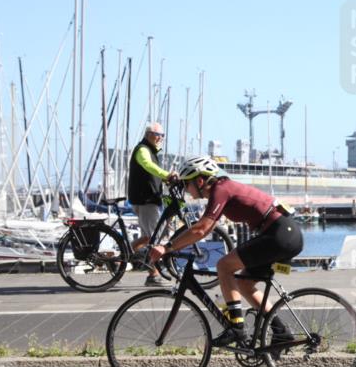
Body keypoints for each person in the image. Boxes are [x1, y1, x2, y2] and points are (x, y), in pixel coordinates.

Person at [149, 156, 303, 346]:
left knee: (224, 266)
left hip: (279, 235)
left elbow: (200, 229)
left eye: (187, 184)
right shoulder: (222, 189)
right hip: (281, 234)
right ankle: (281, 331)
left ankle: (237, 328)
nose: (186, 190)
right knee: (244, 284)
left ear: (199, 181)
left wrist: (167, 247)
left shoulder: (221, 190)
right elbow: (205, 228)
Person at [127, 122, 178, 286]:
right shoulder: (143, 150)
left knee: (150, 235)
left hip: (148, 198)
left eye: (162, 136)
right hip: (145, 199)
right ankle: (153, 276)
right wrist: (167, 175)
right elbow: (147, 166)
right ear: (149, 134)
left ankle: (124, 252)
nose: (160, 138)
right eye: (158, 135)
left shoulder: (150, 150)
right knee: (154, 238)